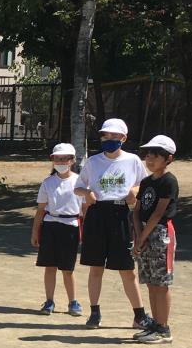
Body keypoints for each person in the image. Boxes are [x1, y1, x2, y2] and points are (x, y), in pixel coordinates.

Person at [73, 119, 152, 332]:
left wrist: (134, 192)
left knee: (127, 269)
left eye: (114, 136)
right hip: (98, 213)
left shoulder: (133, 160)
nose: (109, 139)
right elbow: (78, 186)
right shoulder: (93, 162)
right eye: (105, 135)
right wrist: (87, 193)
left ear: (123, 138)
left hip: (122, 214)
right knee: (95, 266)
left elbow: (144, 184)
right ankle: (94, 312)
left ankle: (139, 315)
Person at [132, 135, 180, 344]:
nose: (150, 159)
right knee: (150, 282)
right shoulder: (145, 182)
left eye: (156, 155)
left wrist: (142, 237)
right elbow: (137, 210)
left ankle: (164, 328)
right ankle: (155, 324)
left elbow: (158, 213)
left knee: (161, 283)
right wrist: (138, 235)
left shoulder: (169, 181)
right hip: (143, 232)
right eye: (148, 155)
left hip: (160, 233)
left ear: (168, 159)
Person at [31, 143, 84, 316]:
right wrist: (35, 232)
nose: (61, 162)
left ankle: (73, 302)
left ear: (72, 160)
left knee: (68, 269)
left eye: (65, 158)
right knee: (50, 266)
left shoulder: (79, 182)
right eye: (57, 158)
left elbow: (85, 209)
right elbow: (40, 210)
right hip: (50, 226)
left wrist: (88, 231)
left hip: (71, 227)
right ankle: (49, 301)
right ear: (53, 160)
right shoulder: (48, 182)